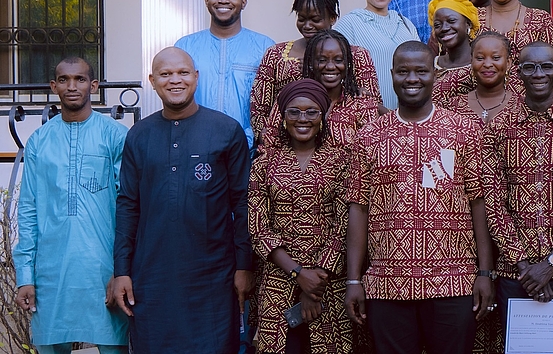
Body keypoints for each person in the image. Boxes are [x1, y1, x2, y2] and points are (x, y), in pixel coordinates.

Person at [343, 41, 496, 354]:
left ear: (434, 76)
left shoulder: (463, 129)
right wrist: (354, 280)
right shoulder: (370, 135)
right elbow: (358, 209)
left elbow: (479, 201)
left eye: (421, 71)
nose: (411, 78)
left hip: (454, 281)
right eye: (403, 71)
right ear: (392, 75)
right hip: (387, 285)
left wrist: (484, 272)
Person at [109, 47, 254, 353]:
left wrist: (244, 265)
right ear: (152, 80)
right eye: (165, 74)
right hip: (152, 276)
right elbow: (127, 205)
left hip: (213, 277)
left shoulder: (226, 131)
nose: (175, 80)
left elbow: (242, 204)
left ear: (196, 78)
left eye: (183, 73)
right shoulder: (139, 135)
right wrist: (122, 269)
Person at [13, 58, 129, 354]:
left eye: (79, 79)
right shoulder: (39, 141)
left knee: (112, 345)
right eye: (64, 80)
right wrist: (25, 276)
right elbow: (28, 208)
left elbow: (130, 207)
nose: (72, 86)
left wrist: (123, 270)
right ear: (54, 87)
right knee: (51, 344)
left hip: (103, 269)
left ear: (93, 86)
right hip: (51, 272)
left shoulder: (115, 136)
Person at [484, 43, 553, 304]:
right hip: (515, 271)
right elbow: (494, 203)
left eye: (546, 67)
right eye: (529, 67)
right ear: (517, 73)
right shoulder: (498, 129)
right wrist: (526, 268)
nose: (538, 74)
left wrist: (551, 262)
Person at [248, 80, 353, 354]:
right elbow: (258, 227)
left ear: (323, 117)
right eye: (294, 112)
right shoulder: (265, 163)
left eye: (311, 112)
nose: (302, 119)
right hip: (278, 280)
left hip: (327, 283)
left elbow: (345, 226)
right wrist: (298, 274)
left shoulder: (341, 161)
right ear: (283, 118)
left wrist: (314, 283)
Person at [250, 0, 381, 148]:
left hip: (344, 141)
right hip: (287, 145)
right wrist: (266, 138)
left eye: (315, 19)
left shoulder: (357, 55)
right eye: (301, 18)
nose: (307, 26)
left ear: (333, 18)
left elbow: (372, 105)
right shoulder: (276, 54)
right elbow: (260, 106)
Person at [176, 0, 275, 148]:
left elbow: (274, 100)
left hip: (248, 150)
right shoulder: (185, 46)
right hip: (193, 146)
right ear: (207, 0)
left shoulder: (265, 47)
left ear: (243, 2)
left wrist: (253, 138)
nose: (223, 0)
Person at [334, 0, 420, 111]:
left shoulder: (406, 24)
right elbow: (337, 72)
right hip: (369, 116)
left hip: (409, 114)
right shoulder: (350, 23)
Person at [441, 31, 513, 126]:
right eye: (480, 58)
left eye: (495, 58)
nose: (487, 64)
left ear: (508, 63)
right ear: (471, 62)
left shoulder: (521, 107)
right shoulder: (451, 107)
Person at [428, 0, 481, 103]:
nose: (444, 28)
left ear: (468, 24)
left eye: (451, 21)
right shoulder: (432, 64)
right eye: (437, 25)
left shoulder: (481, 65)